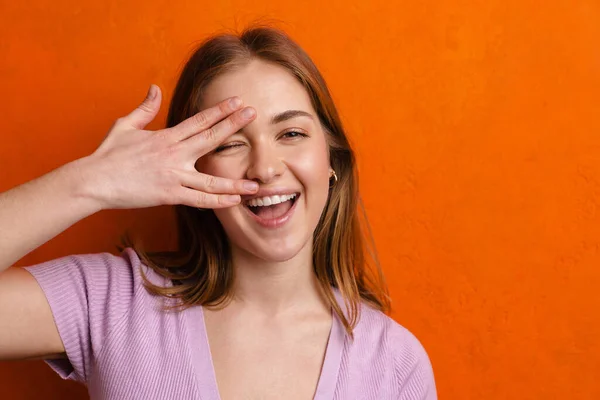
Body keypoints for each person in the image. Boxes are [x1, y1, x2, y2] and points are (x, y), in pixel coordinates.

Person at [0, 26, 437, 399]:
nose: (265, 169)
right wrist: (90, 183)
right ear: (193, 169)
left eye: (291, 132)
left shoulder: (394, 364)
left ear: (331, 164)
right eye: (230, 143)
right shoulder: (114, 300)